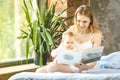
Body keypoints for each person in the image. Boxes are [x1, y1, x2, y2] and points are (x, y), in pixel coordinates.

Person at [36, 4, 103, 73]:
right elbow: (62, 46)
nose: (81, 25)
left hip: (86, 66)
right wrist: (57, 56)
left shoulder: (96, 35)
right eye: (78, 21)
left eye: (84, 21)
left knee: (52, 68)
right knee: (39, 71)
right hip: (69, 63)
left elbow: (93, 61)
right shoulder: (72, 29)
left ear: (91, 20)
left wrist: (85, 67)